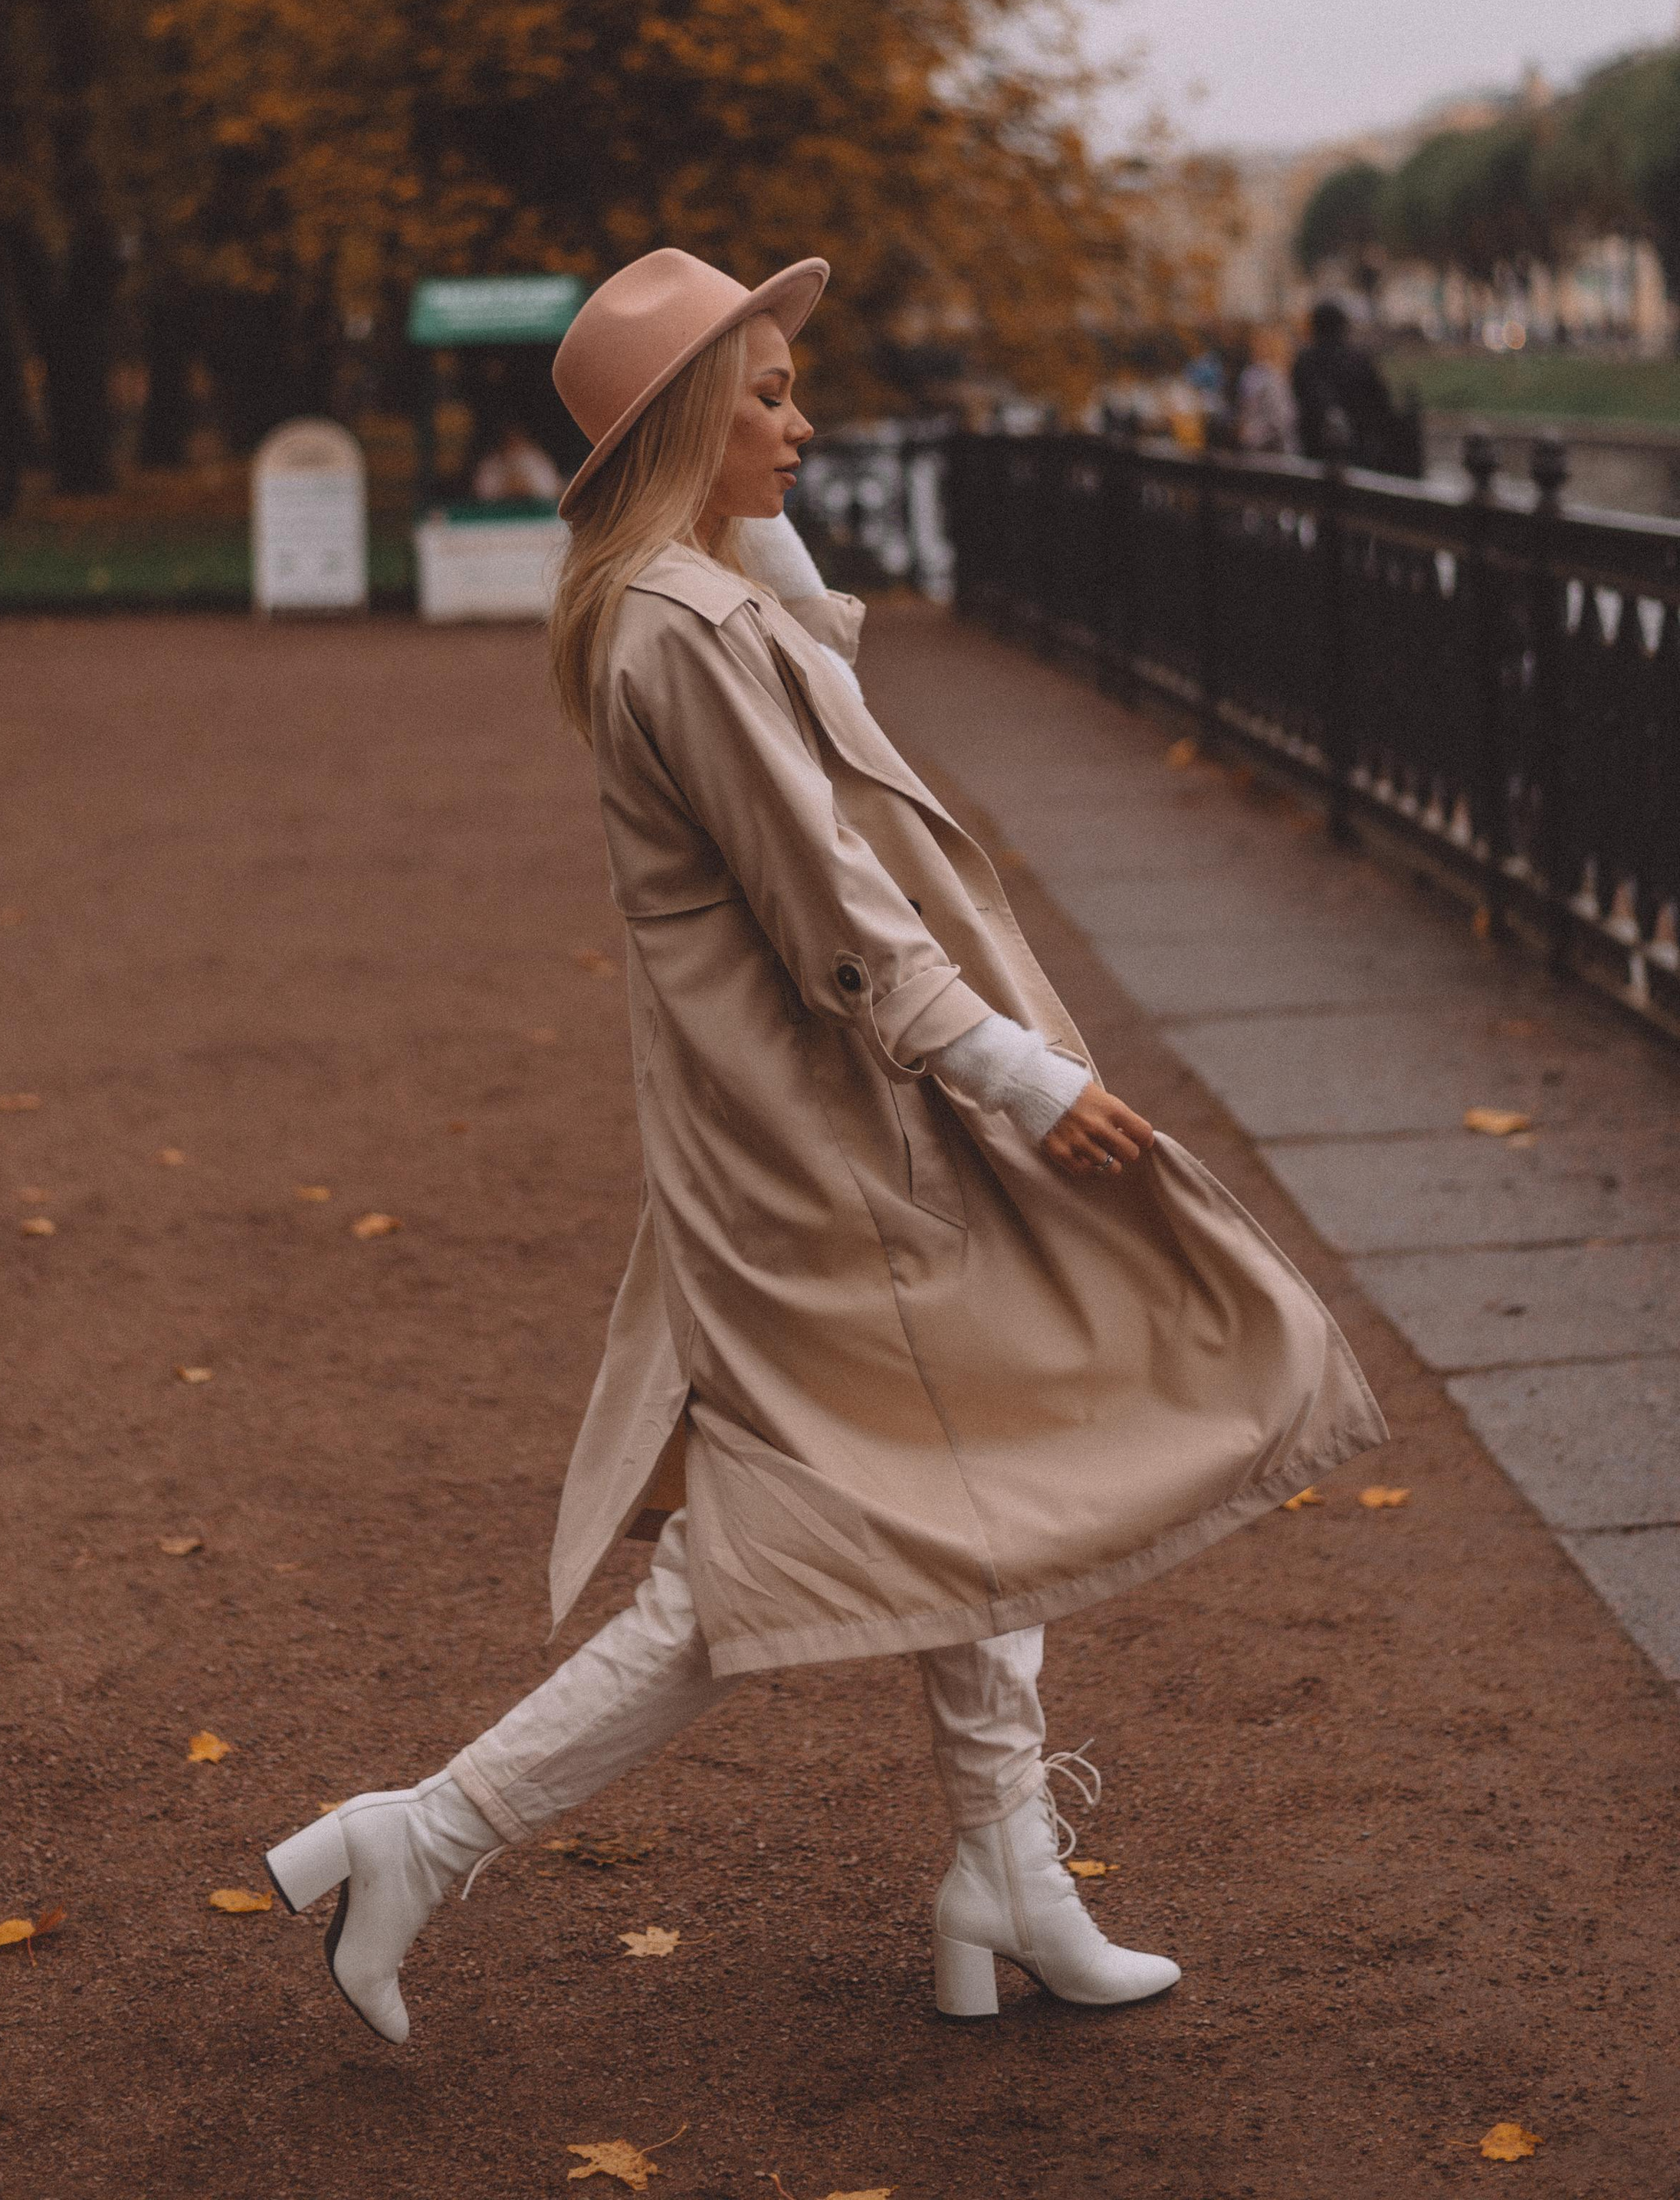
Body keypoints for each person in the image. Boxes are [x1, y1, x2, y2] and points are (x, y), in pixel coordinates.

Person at [264, 248, 1382, 2044]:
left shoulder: (686, 604)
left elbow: (819, 704)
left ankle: (1000, 1869)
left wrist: (751, 526)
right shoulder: (680, 632)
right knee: (755, 1565)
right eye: (765, 394)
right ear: (686, 424)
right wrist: (1016, 1073)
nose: (802, 418)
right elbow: (833, 913)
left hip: (826, 1140)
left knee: (960, 1479)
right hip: (829, 1159)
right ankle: (423, 1834)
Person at [1290, 302, 1396, 465]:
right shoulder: (1359, 359)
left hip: (1315, 450)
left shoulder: (1305, 361)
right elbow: (1381, 404)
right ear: (1342, 326)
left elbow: (1299, 399)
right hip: (1359, 451)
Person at [1234, 323, 1299, 455]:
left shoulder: (1277, 375)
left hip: (1272, 447)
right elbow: (1281, 418)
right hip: (1264, 448)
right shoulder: (1256, 375)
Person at [469, 422, 563, 504]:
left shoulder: (537, 459)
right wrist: (506, 488)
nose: (513, 442)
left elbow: (555, 490)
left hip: (536, 516)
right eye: (508, 439)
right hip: (498, 517)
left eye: (516, 438)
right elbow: (480, 493)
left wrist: (527, 487)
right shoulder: (491, 463)